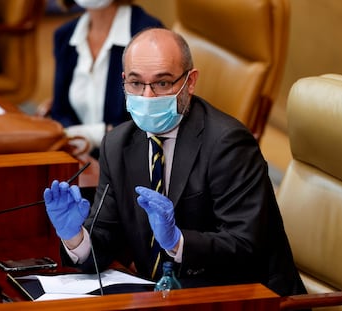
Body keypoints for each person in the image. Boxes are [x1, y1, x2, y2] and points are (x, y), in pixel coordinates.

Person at [44, 28, 308, 297]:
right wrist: (75, 236)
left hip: (248, 298)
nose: (147, 97)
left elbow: (246, 245)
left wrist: (178, 242)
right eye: (136, 83)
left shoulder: (227, 144)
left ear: (190, 82)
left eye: (162, 83)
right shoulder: (117, 144)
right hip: (165, 297)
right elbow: (105, 241)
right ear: (124, 81)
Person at [38, 0, 163, 157]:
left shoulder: (148, 35)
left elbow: (151, 121)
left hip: (129, 160)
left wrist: (88, 135)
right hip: (79, 157)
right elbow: (60, 111)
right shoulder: (65, 35)